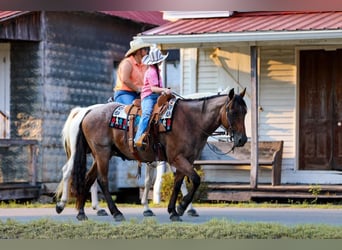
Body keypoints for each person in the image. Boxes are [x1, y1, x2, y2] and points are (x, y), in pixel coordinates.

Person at [134, 47, 171, 148]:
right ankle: (137, 138)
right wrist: (164, 90)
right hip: (149, 97)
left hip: (157, 96)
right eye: (160, 61)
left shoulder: (157, 71)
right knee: (146, 113)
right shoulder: (151, 72)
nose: (161, 62)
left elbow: (159, 87)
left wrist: (165, 91)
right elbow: (153, 88)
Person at [113, 37, 150, 104]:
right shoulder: (127, 63)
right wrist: (138, 89)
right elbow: (125, 80)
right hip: (124, 93)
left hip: (140, 94)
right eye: (145, 49)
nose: (147, 51)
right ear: (138, 51)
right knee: (132, 110)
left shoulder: (145, 64)